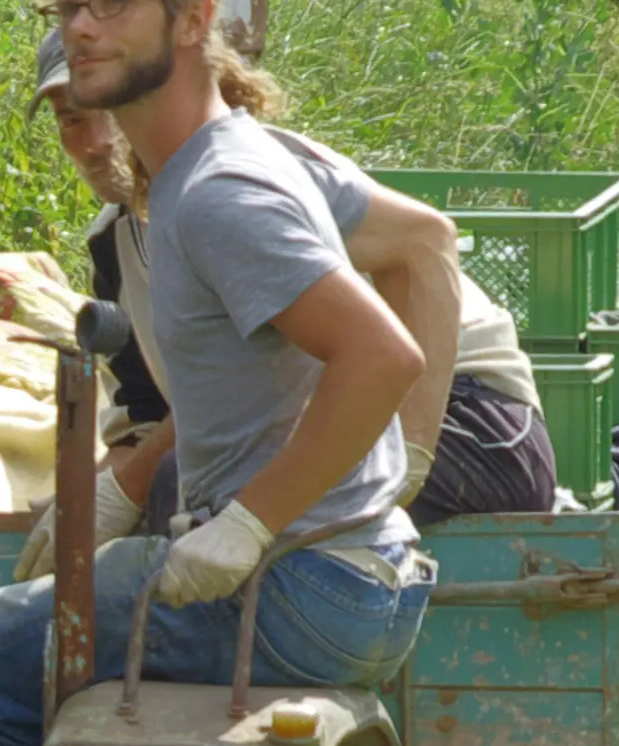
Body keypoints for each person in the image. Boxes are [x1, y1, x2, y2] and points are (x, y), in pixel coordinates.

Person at [0, 0, 444, 746]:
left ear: (194, 17)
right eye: (67, 8)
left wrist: (249, 522)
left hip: (299, 582)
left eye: (114, 3)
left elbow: (378, 354)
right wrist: (130, 488)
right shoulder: (223, 164)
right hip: (341, 572)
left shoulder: (218, 193)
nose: (80, 28)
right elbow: (258, 377)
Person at [41, 37, 557, 528]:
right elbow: (148, 427)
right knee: (174, 490)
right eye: (71, 121)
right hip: (314, 429)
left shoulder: (243, 179)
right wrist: (75, 513)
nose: (96, 143)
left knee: (190, 490)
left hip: (468, 424)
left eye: (109, 113)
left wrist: (412, 456)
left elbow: (427, 241)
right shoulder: (113, 244)